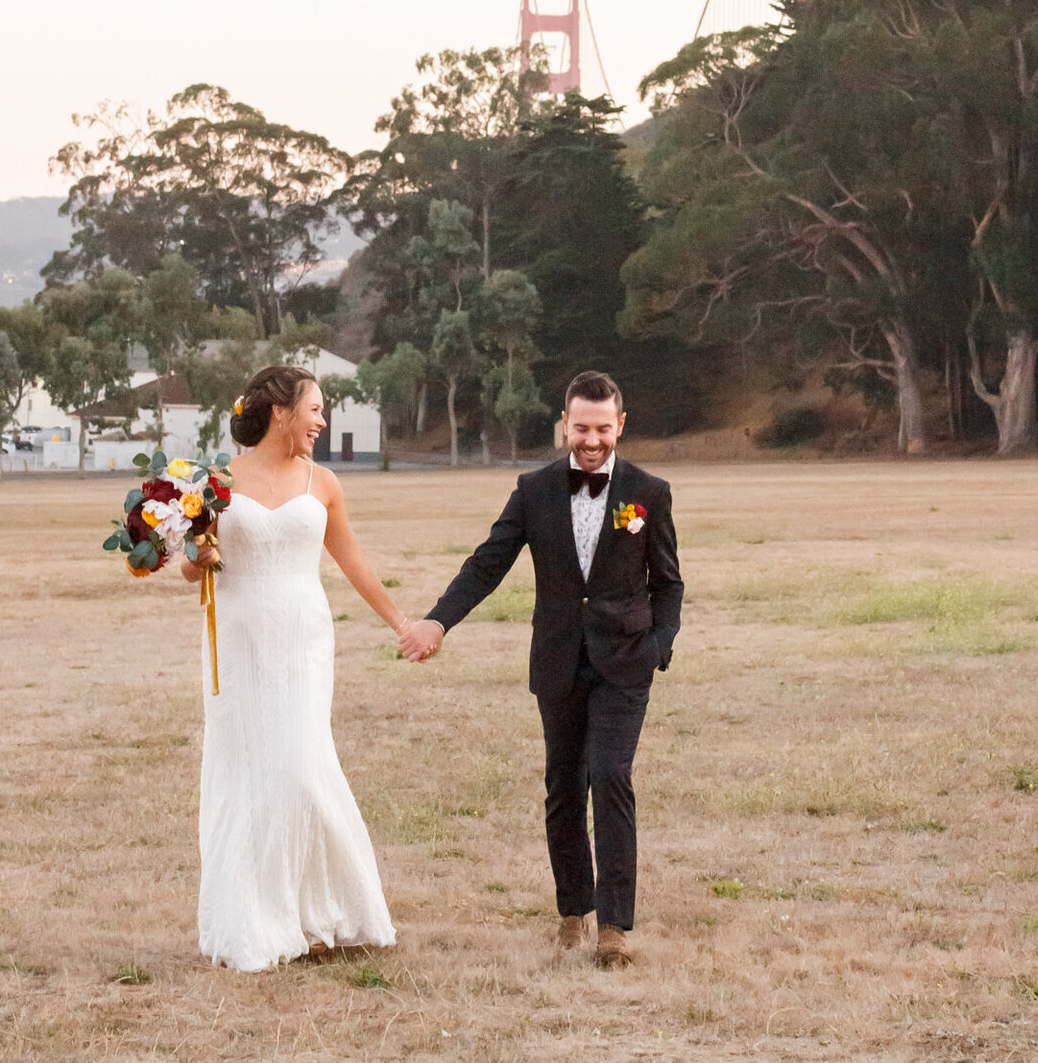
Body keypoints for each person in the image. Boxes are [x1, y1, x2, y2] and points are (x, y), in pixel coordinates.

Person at [401, 370, 683, 967]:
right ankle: (572, 912)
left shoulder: (649, 492)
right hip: (557, 662)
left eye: (603, 429)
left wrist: (659, 644)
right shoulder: (534, 490)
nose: (591, 439)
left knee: (611, 778)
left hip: (624, 663)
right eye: (581, 427)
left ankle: (614, 927)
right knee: (563, 788)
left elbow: (669, 581)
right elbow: (487, 563)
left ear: (620, 426)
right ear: (565, 424)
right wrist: (437, 621)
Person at [183, 363, 415, 971]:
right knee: (251, 771)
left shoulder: (325, 482)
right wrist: (196, 557)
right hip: (240, 639)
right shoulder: (215, 481)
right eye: (315, 409)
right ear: (281, 412)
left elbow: (353, 562)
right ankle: (261, 920)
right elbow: (189, 566)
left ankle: (319, 916)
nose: (323, 421)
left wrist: (401, 624)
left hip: (305, 637)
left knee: (303, 767)